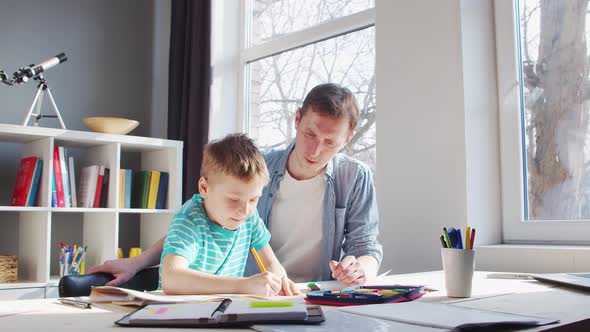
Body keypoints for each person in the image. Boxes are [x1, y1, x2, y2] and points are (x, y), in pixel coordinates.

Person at [89, 83, 382, 287]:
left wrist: (360, 271)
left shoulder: (354, 177)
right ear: (297, 119)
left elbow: (366, 245)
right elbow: (201, 217)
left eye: (330, 142)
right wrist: (138, 262)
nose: (315, 150)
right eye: (310, 134)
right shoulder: (256, 168)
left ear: (347, 139)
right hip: (248, 289)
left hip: (311, 293)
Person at [160, 133, 298, 296]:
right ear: (204, 188)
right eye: (233, 200)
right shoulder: (190, 220)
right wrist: (242, 285)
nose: (245, 210)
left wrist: (279, 281)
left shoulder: (249, 219)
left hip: (224, 309)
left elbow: (270, 264)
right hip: (183, 313)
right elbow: (171, 279)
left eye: (253, 199)